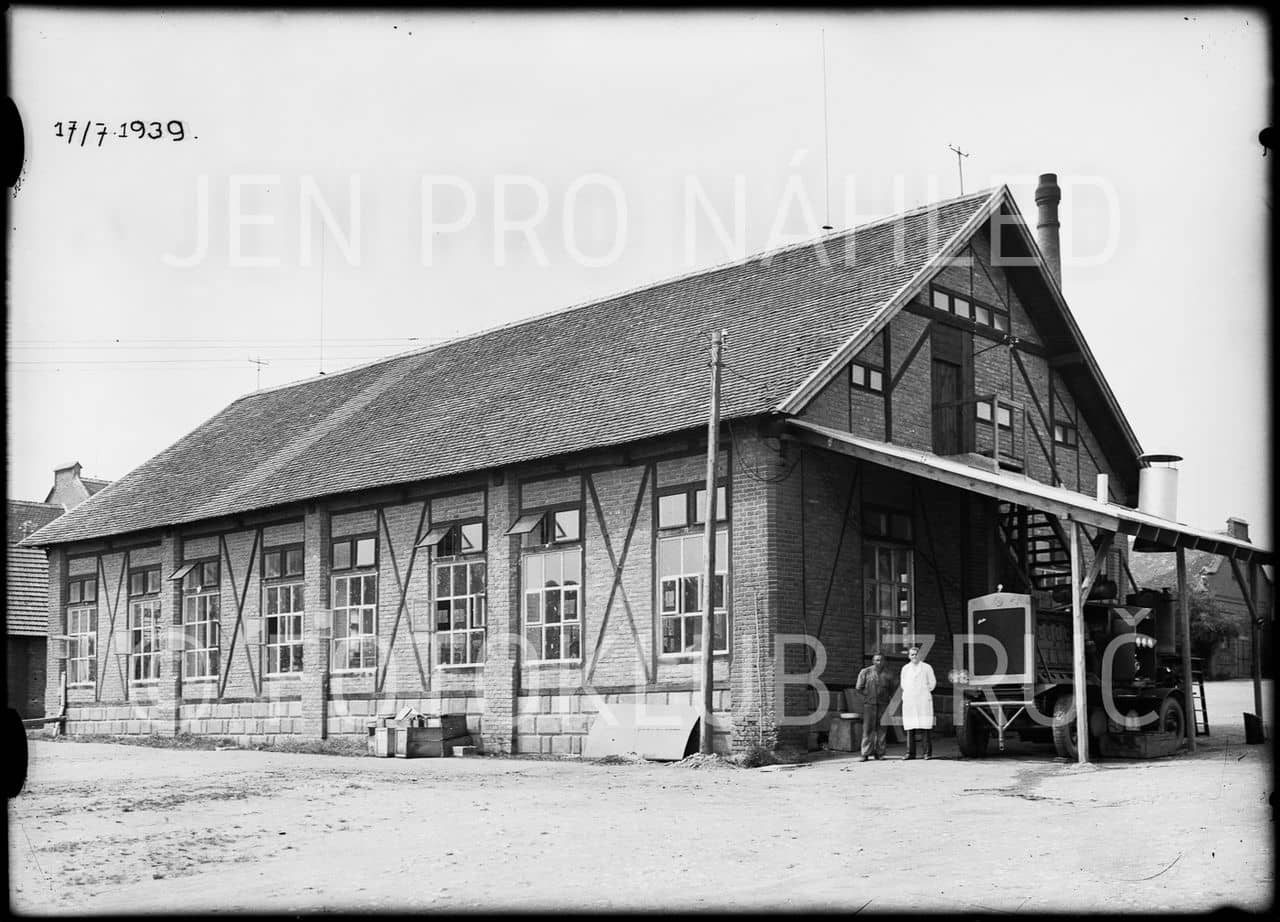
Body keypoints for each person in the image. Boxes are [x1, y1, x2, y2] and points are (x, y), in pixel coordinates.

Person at [855, 652, 895, 761]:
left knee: (882, 729)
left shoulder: (888, 673)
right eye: (877, 660)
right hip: (869, 705)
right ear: (873, 661)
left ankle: (880, 753)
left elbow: (893, 689)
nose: (879, 662)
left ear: (884, 661)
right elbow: (859, 687)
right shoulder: (865, 672)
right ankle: (865, 753)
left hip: (883, 704)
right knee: (868, 729)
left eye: (881, 660)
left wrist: (888, 699)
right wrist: (868, 696)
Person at [900, 645, 937, 760]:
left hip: (923, 700)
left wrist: (923, 691)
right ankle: (910, 753)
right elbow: (903, 684)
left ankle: (927, 753)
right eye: (912, 654)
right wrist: (911, 693)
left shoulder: (927, 667)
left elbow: (932, 683)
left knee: (925, 727)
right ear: (909, 656)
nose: (914, 656)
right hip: (910, 700)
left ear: (919, 655)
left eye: (916, 654)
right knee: (910, 728)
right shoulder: (905, 668)